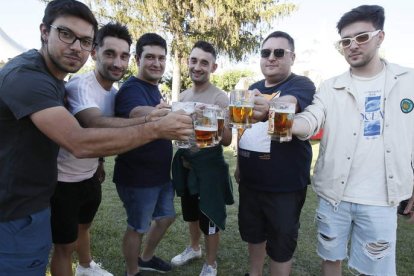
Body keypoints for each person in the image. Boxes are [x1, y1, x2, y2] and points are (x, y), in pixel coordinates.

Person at [0, 1, 192, 275]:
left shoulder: (57, 79)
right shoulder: (29, 77)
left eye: (84, 40)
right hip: (14, 208)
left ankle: (87, 266)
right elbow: (81, 138)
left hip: (43, 195)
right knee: (49, 254)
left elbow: (107, 125)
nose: (75, 46)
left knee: (72, 236)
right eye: (66, 34)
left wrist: (105, 157)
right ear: (44, 32)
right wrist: (156, 126)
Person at [291, 5, 414, 276]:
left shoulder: (408, 81)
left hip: (382, 200)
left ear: (380, 37)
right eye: (345, 41)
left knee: (376, 271)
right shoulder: (330, 86)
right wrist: (288, 122)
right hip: (334, 195)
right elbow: (311, 118)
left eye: (361, 37)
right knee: (330, 259)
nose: (352, 46)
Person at [50, 22, 150, 276]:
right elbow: (92, 122)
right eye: (110, 53)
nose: (118, 62)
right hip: (63, 180)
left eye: (124, 56)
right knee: (64, 246)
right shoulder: (81, 86)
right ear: (94, 52)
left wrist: (101, 162)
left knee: (84, 226)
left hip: (89, 175)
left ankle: (86, 267)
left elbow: (107, 132)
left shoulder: (113, 92)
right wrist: (152, 121)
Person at [236, 31, 315, 276]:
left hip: (285, 186)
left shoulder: (300, 84)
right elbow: (243, 132)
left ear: (292, 56)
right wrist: (239, 166)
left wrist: (268, 106)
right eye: (265, 52)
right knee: (254, 234)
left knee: (281, 243)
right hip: (250, 182)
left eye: (279, 52)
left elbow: (290, 103)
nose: (271, 57)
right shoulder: (253, 88)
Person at [113, 33, 176, 276]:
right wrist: (162, 112)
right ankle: (132, 271)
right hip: (137, 177)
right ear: (137, 58)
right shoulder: (131, 88)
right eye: (149, 57)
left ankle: (146, 258)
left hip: (160, 175)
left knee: (166, 217)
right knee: (137, 227)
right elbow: (135, 111)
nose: (156, 63)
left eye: (161, 58)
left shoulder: (154, 87)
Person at [170, 41, 234, 276]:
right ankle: (194, 248)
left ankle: (210, 263)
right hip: (186, 164)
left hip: (209, 168)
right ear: (188, 62)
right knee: (191, 212)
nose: (197, 66)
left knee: (209, 214)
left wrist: (214, 118)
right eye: (194, 60)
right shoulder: (183, 95)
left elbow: (227, 140)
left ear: (213, 67)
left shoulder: (219, 97)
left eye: (204, 63)